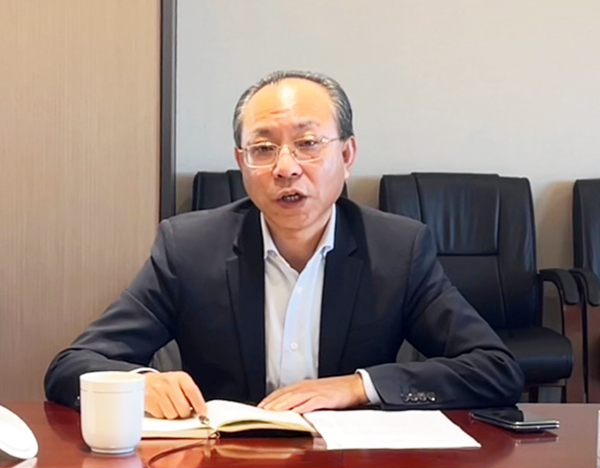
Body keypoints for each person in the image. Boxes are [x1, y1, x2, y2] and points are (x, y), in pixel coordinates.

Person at [45, 70, 524, 419]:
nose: (286, 167)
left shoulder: (397, 250)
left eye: (308, 143)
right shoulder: (188, 248)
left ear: (347, 154)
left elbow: (495, 369)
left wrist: (359, 387)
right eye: (263, 148)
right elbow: (71, 366)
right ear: (242, 162)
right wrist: (138, 385)